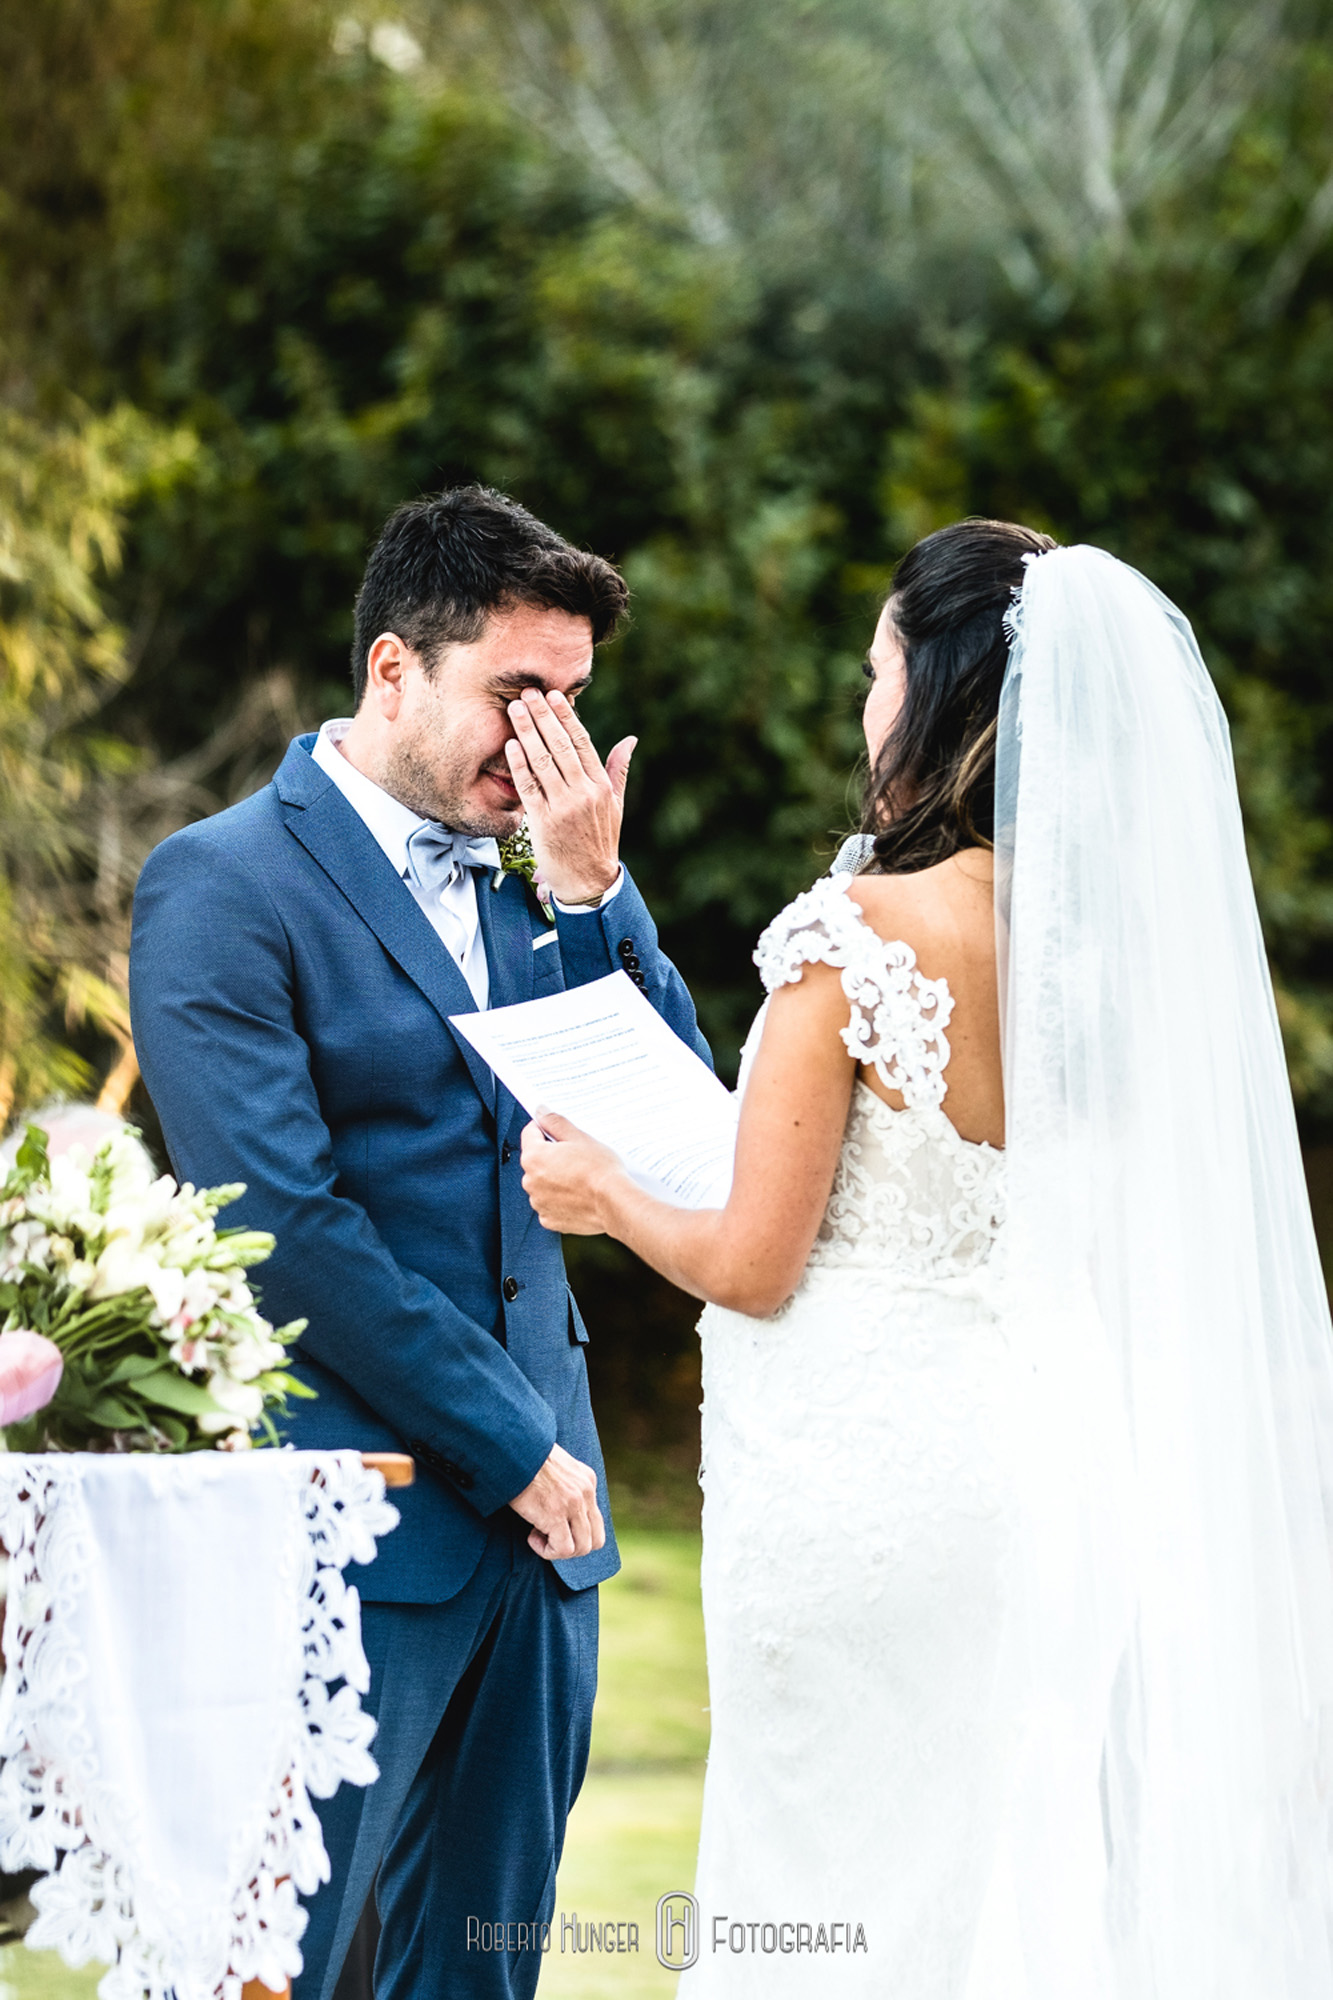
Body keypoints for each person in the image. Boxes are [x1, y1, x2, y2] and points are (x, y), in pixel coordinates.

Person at [521, 521, 1333, 1997]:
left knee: (835, 1895)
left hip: (863, 1495)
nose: (863, 704)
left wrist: (607, 1195)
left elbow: (754, 1262)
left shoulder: (859, 932)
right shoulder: (1096, 966)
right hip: (1046, 1477)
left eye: (877, 670)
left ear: (942, 691)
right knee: (1003, 1893)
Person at [129, 485, 708, 2000]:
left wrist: (594, 893)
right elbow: (281, 1225)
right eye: (519, 695)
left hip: (547, 1548)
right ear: (394, 669)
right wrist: (513, 1446)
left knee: (480, 1978)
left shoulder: (545, 874)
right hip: (347, 1530)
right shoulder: (221, 883)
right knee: (285, 1969)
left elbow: (684, 1137)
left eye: (574, 701)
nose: (550, 744)